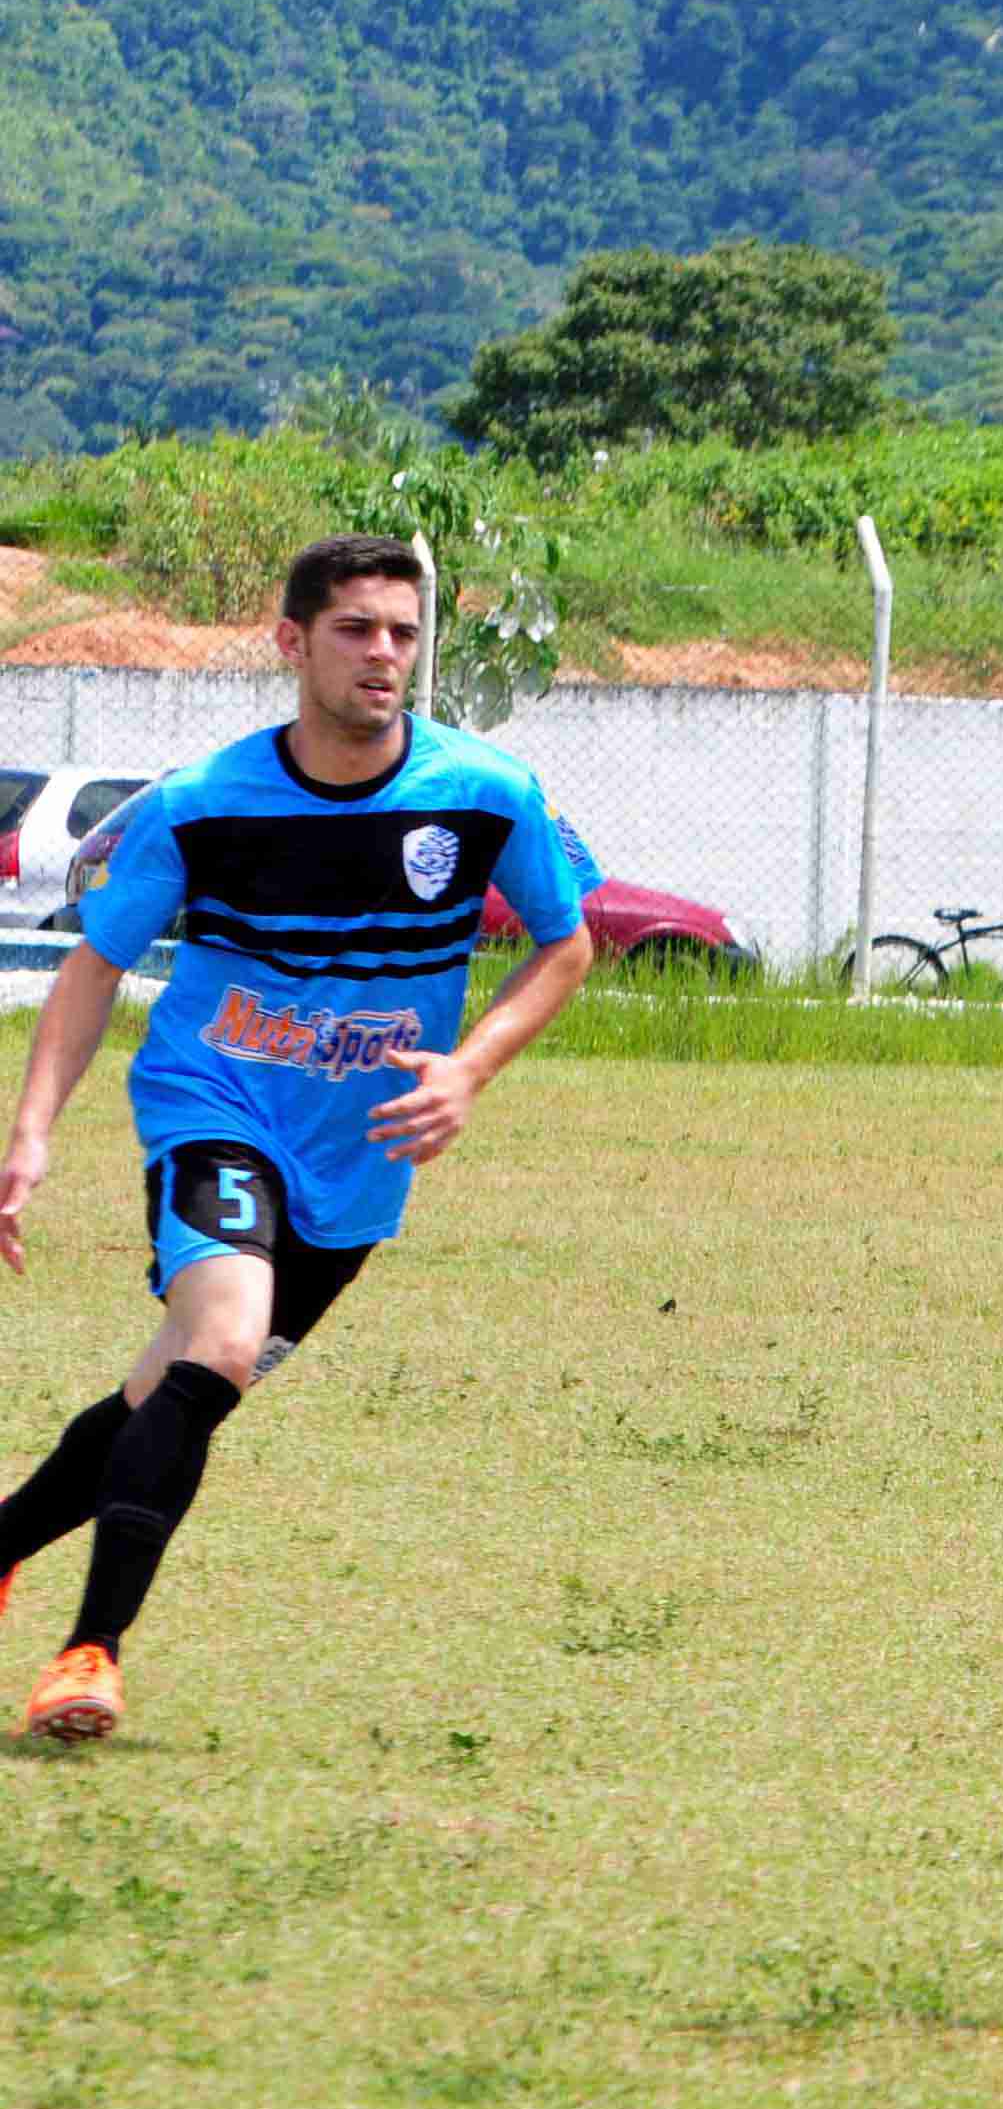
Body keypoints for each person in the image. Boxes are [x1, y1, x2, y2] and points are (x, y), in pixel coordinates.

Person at [0, 533, 598, 1741]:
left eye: (403, 632)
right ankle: (89, 1653)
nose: (384, 655)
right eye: (355, 630)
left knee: (167, 1391)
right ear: (291, 641)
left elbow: (566, 942)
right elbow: (94, 966)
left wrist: (470, 1068)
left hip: (360, 1157)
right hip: (215, 1107)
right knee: (220, 1342)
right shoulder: (202, 803)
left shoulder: (487, 794)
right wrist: (32, 1134)